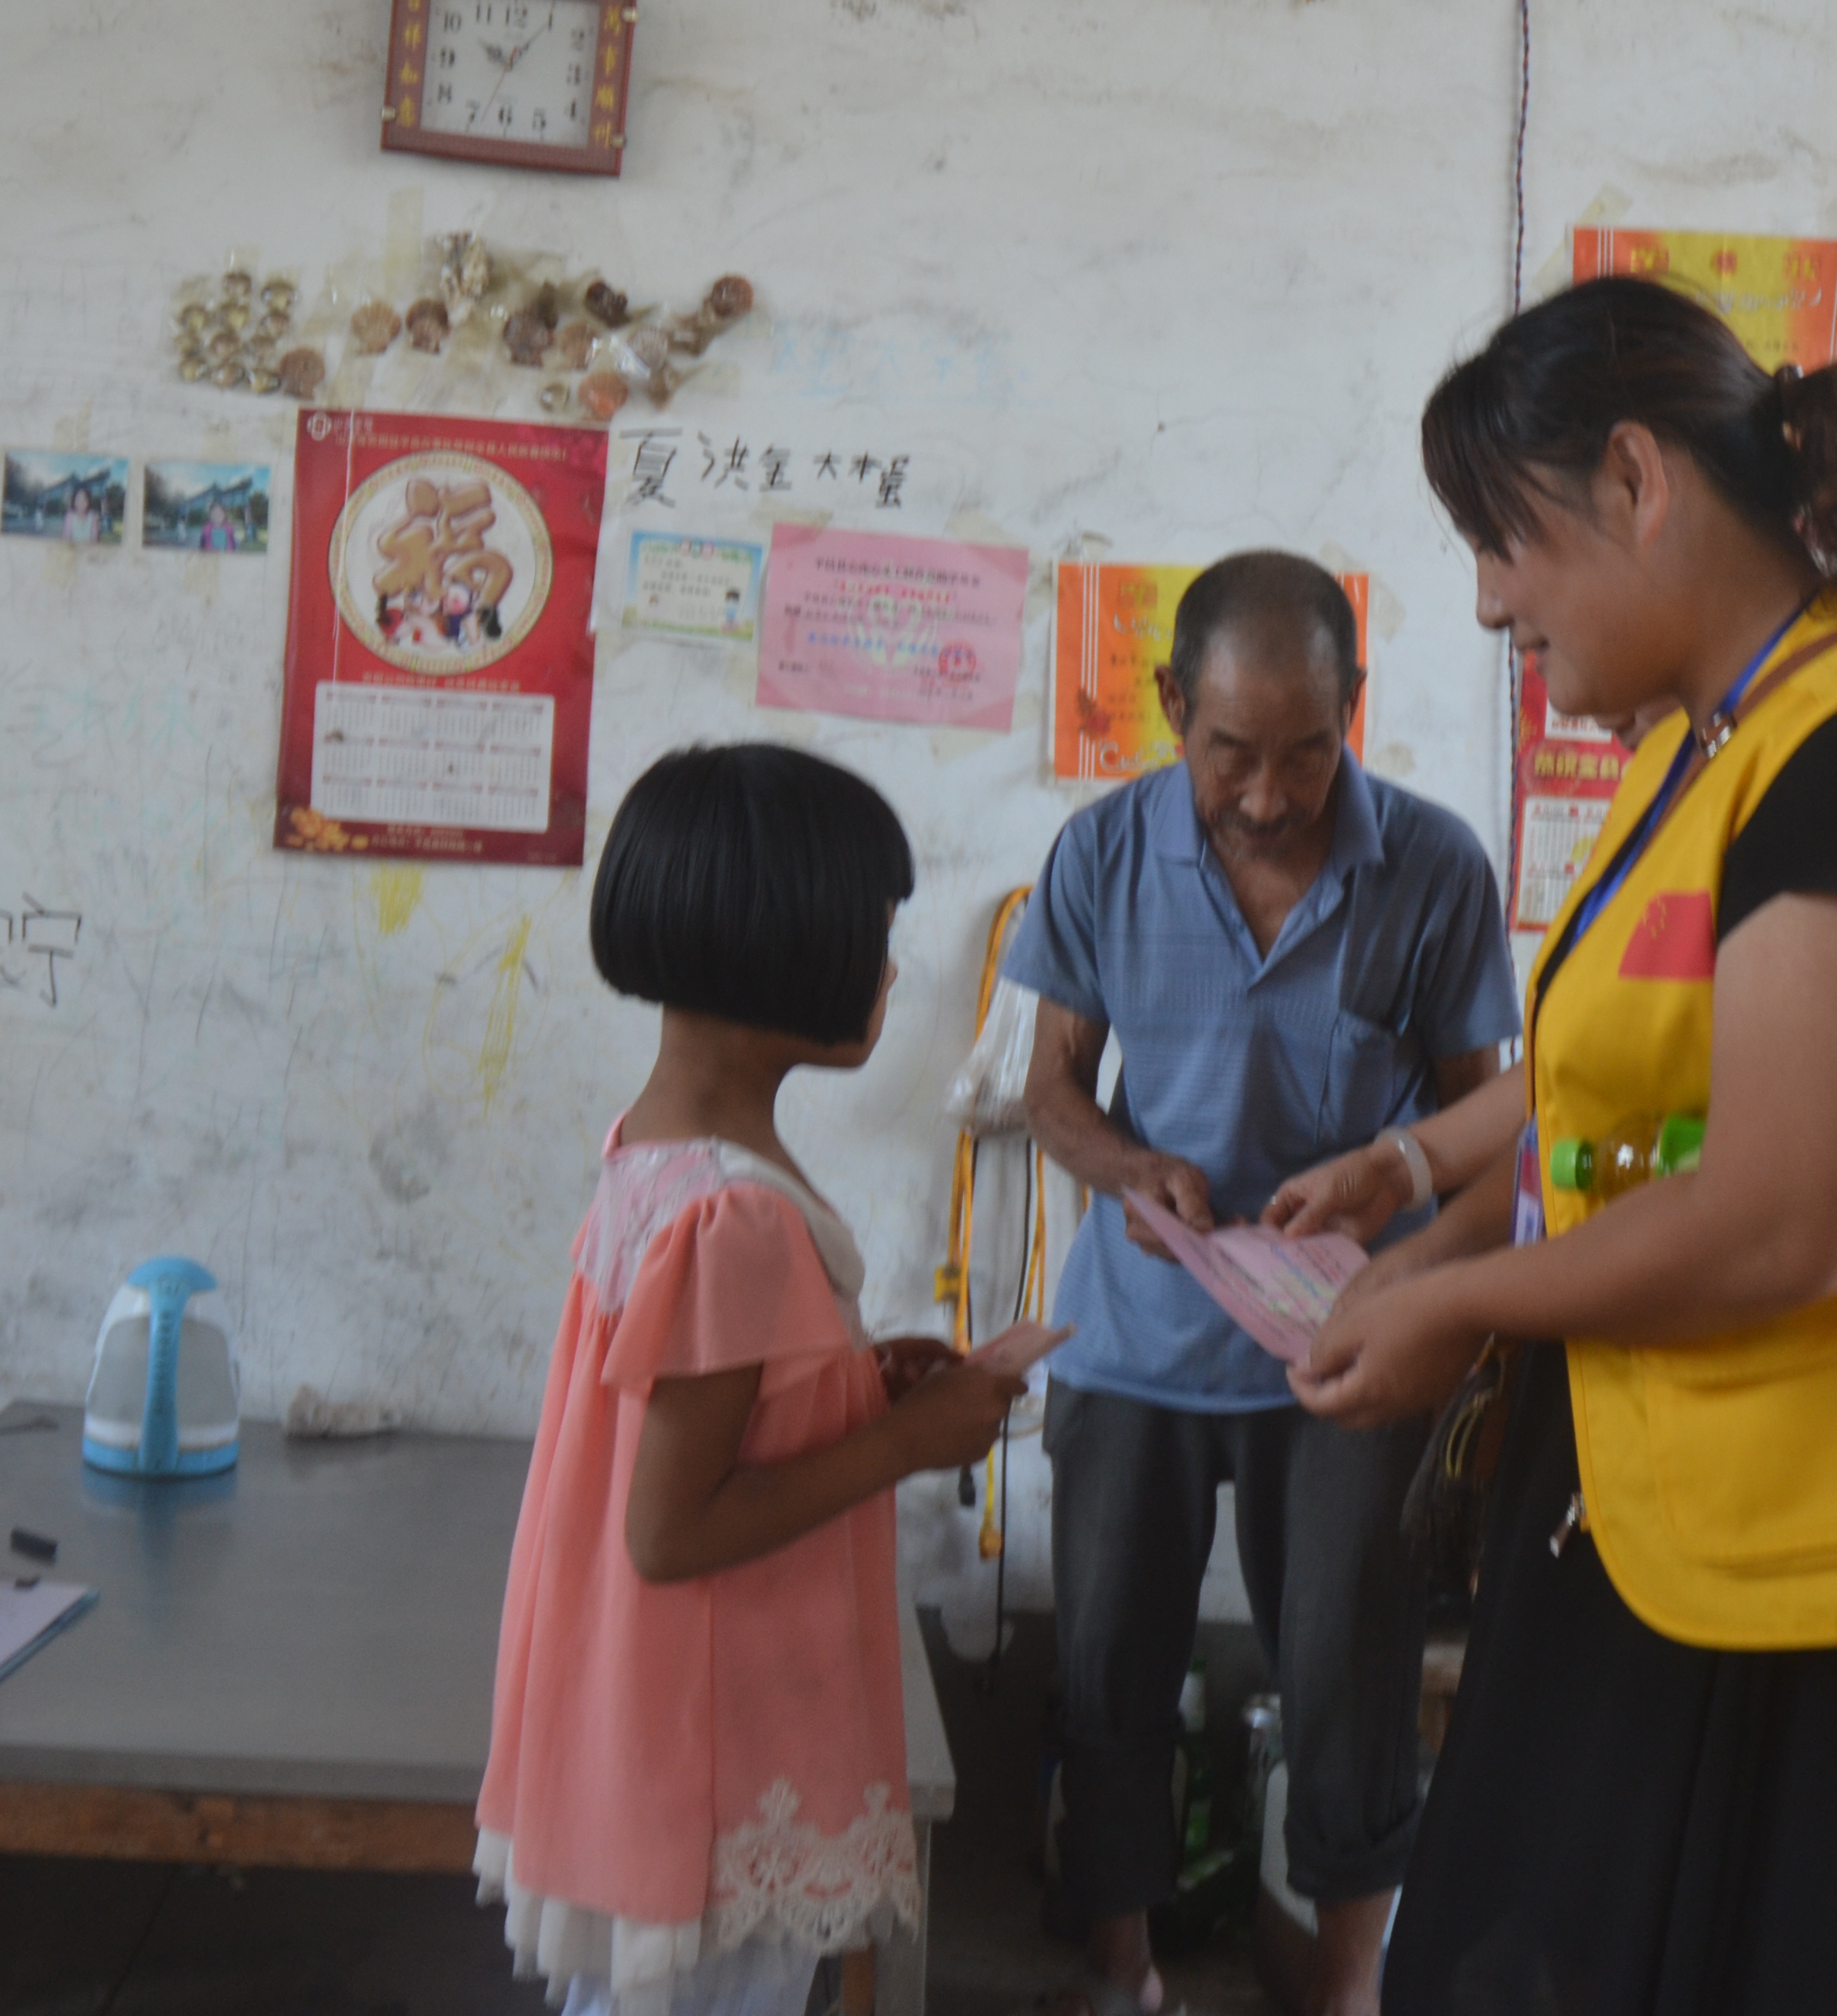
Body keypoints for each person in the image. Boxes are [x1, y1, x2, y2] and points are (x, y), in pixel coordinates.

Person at [1286, 276, 1837, 2015]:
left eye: (1502, 538)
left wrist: (1467, 1306)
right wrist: (1427, 1218)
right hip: (1678, 1497)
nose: (1488, 598)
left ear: (1636, 480)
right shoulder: (1710, 749)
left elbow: (1790, 1211)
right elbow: (1616, 1088)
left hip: (1826, 1563)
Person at [1004, 551, 1522, 2016]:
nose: (1272, 793)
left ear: (1355, 708)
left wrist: (1412, 1306)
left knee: (1351, 1678)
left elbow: (1481, 1149)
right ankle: (1124, 1971)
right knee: (1109, 1667)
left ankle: (1345, 1990)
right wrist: (1128, 1171)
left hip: (1343, 1363)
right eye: (1232, 751)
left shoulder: (1432, 868)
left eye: (1309, 752)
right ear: (1173, 706)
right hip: (1136, 1346)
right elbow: (1050, 1091)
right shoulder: (1101, 854)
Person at [473, 744, 1026, 2016]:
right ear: (780, 948)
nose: (890, 969)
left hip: (659, 1721)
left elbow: (704, 1410)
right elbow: (672, 1529)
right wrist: (909, 1443)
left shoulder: (654, 1163)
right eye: (873, 932)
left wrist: (856, 1386)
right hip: (719, 1747)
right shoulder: (738, 1218)